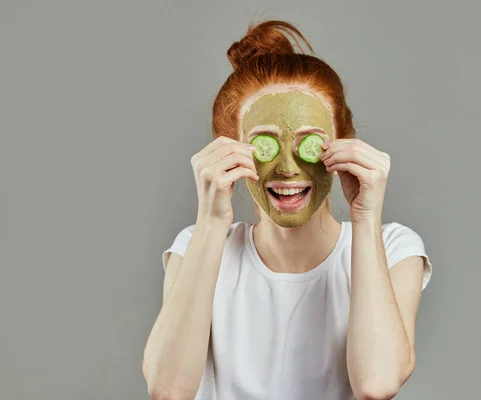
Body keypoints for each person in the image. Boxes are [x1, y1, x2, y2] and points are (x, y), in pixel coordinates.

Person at [142, 20, 432, 400]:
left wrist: (366, 215)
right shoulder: (199, 246)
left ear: (343, 146)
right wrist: (211, 221)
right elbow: (168, 388)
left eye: (308, 143)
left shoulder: (393, 248)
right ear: (230, 150)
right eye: (266, 144)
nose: (287, 168)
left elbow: (376, 383)